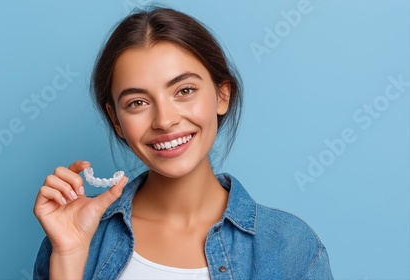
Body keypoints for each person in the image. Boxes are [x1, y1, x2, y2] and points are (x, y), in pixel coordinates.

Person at [33, 7, 334, 280]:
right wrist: (69, 258)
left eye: (184, 90)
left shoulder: (290, 247)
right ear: (116, 120)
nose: (164, 120)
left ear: (222, 95)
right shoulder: (77, 239)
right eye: (137, 102)